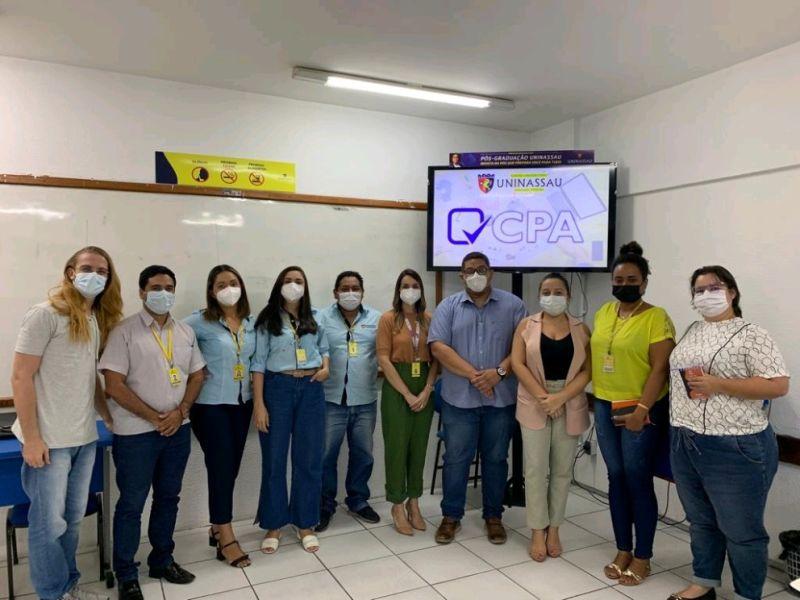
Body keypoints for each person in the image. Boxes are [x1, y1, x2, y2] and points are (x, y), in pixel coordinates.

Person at [667, 266, 789, 600]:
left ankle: (747, 594)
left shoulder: (751, 333)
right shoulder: (693, 329)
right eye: (699, 290)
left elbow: (778, 385)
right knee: (700, 520)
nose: (706, 295)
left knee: (741, 530)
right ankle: (703, 582)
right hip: (686, 439)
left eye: (714, 287)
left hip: (734, 445)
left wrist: (719, 384)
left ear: (732, 292)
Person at [11, 246, 122, 600]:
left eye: (102, 271)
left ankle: (68, 586)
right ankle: (52, 594)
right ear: (71, 272)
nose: (95, 275)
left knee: (71, 521)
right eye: (87, 268)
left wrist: (107, 415)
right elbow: (20, 377)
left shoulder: (92, 319)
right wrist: (32, 439)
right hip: (49, 441)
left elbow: (89, 378)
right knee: (48, 524)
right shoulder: (44, 314)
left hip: (83, 438)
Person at [100, 265, 206, 600]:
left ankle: (162, 560)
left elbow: (198, 374)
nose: (164, 293)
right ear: (142, 292)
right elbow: (113, 385)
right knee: (131, 504)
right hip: (135, 434)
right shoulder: (124, 332)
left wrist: (181, 411)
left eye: (169, 288)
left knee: (168, 498)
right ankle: (127, 573)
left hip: (178, 430)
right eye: (156, 288)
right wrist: (155, 418)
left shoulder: (184, 331)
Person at [590, 241, 675, 587]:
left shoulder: (657, 317)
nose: (623, 285)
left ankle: (643, 556)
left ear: (644, 283)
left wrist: (642, 409)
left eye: (631, 280)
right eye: (618, 279)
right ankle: (623, 548)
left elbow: (660, 369)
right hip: (604, 404)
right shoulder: (603, 312)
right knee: (616, 477)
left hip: (641, 408)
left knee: (637, 478)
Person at [428, 252, 527, 545]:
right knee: (456, 459)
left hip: (501, 400)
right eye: (469, 270)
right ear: (461, 275)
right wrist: (476, 376)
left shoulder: (514, 305)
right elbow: (438, 347)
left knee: (496, 459)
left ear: (491, 272)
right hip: (459, 400)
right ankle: (451, 517)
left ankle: (493, 517)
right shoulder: (448, 307)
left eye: (481, 269)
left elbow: (522, 348)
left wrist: (498, 373)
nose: (475, 275)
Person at [511, 273, 591, 562]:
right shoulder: (526, 325)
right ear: (539, 295)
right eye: (546, 291)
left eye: (558, 292)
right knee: (535, 469)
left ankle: (554, 529)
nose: (552, 297)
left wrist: (561, 397)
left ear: (569, 296)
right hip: (535, 400)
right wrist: (545, 398)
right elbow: (517, 363)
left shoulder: (581, 328)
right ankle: (537, 530)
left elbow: (587, 371)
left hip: (569, 400)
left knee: (561, 471)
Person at [251, 266, 330, 554]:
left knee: (308, 459)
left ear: (305, 286)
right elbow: (258, 363)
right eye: (288, 280)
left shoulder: (315, 317)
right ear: (279, 285)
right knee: (274, 459)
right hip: (277, 389)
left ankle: (305, 522)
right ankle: (274, 524)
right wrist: (259, 404)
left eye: (299, 281)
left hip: (311, 388)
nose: (293, 285)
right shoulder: (267, 319)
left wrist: (325, 367)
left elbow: (324, 349)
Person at [184, 265, 256, 568]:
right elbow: (173, 349)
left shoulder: (251, 323)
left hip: (242, 403)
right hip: (210, 405)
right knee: (221, 467)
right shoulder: (197, 322)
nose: (229, 289)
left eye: (233, 283)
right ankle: (226, 536)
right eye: (221, 285)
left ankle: (217, 526)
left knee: (231, 466)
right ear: (211, 292)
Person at [316, 271, 382, 531]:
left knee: (363, 453)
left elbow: (384, 353)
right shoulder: (320, 318)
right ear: (335, 292)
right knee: (325, 455)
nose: (350, 293)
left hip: (365, 399)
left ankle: (358, 499)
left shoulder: (377, 319)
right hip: (330, 399)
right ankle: (324, 504)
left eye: (355, 288)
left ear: (362, 292)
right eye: (345, 288)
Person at [377, 269, 439, 535]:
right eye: (405, 285)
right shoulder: (388, 319)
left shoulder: (429, 319)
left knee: (418, 446)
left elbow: (436, 358)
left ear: (421, 290)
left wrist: (427, 389)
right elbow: (383, 359)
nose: (410, 290)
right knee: (397, 447)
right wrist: (407, 394)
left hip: (424, 384)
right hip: (397, 388)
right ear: (398, 290)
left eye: (415, 285)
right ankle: (397, 505)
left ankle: (414, 502)